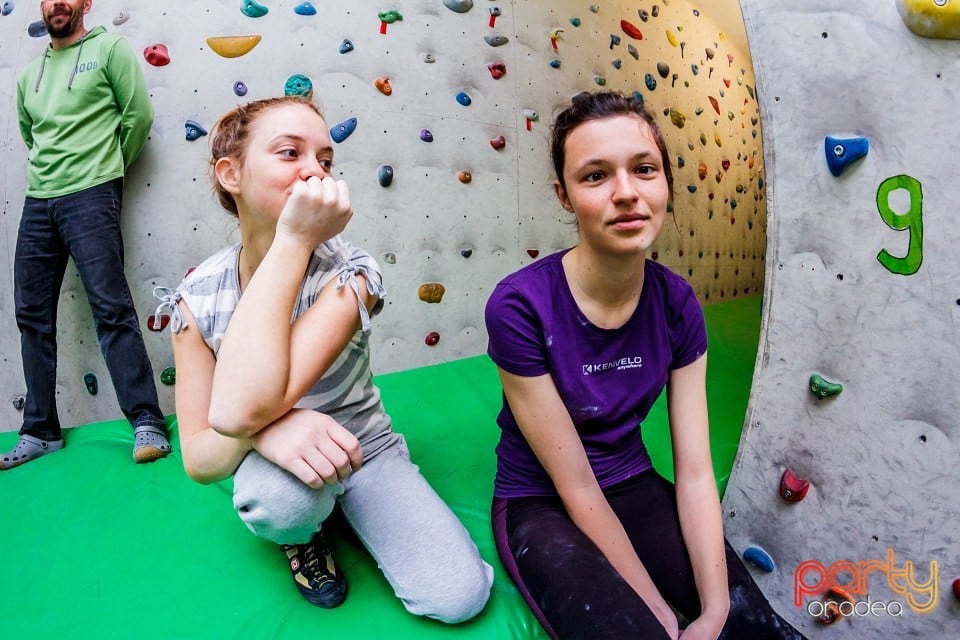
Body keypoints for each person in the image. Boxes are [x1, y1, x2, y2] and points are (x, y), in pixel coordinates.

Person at [485, 91, 806, 640]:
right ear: (564, 196)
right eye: (595, 177)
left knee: (755, 629)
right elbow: (577, 485)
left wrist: (715, 609)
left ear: (665, 182)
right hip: (540, 501)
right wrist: (654, 604)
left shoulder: (677, 304)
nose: (627, 193)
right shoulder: (519, 307)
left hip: (630, 480)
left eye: (644, 169)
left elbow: (698, 471)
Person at [157, 95, 493, 617]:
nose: (314, 170)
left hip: (364, 449)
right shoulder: (196, 298)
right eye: (290, 153)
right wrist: (264, 431)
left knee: (457, 597)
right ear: (231, 174)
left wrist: (293, 240)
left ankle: (342, 500)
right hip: (269, 461)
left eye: (326, 160)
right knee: (283, 502)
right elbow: (201, 457)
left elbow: (241, 411)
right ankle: (302, 531)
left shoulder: (351, 274)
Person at [1, 0, 170, 470]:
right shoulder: (28, 74)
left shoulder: (111, 48)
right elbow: (30, 135)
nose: (57, 3)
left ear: (85, 4)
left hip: (92, 195)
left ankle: (146, 421)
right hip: (40, 201)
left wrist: (107, 171)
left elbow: (138, 118)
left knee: (111, 309)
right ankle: (40, 430)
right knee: (30, 316)